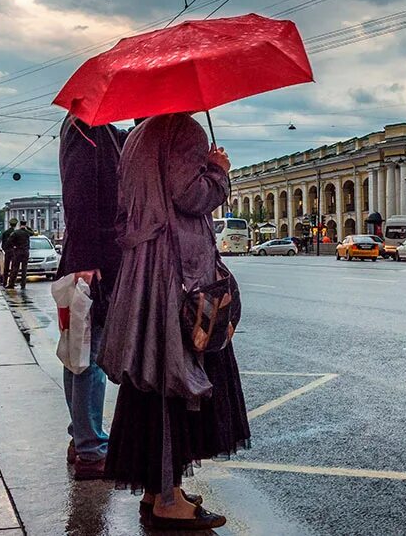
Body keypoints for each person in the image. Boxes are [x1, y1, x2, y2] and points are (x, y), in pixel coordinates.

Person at [101, 114, 249, 530]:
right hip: (178, 276)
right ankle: (167, 499)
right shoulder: (184, 129)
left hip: (144, 271)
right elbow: (190, 195)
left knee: (150, 378)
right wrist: (218, 170)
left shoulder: (136, 138)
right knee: (176, 378)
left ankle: (158, 489)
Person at [57, 115, 128, 480]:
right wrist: (86, 261)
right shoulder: (84, 126)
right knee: (90, 355)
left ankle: (81, 436)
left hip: (92, 258)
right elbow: (80, 194)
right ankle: (90, 447)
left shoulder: (98, 130)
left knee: (79, 351)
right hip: (93, 261)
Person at [4, 221, 31, 290]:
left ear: (19, 225)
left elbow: (8, 241)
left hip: (18, 251)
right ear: (25, 225)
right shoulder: (27, 232)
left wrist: (14, 246)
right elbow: (33, 233)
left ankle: (11, 283)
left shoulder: (16, 232)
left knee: (15, 268)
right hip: (26, 252)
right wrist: (27, 228)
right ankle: (23, 284)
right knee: (24, 269)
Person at [0, 218, 18, 286]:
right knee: (13, 267)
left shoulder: (5, 233)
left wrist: (5, 249)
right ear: (15, 224)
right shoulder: (15, 233)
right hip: (14, 251)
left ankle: (4, 282)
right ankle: (11, 282)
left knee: (6, 267)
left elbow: (3, 243)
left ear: (9, 224)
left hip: (7, 251)